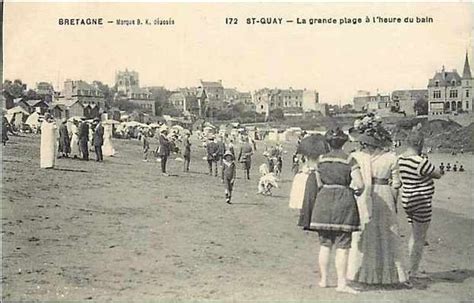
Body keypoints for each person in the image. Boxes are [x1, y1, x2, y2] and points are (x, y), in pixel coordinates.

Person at [347, 131, 410, 287]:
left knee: (364, 232)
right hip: (385, 193)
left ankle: (360, 273)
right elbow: (396, 184)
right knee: (387, 234)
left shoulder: (357, 156)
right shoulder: (391, 158)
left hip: (363, 195)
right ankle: (390, 275)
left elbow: (353, 181)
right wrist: (394, 203)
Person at [309, 128, 364, 294]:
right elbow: (360, 184)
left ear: (328, 142)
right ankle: (341, 283)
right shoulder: (349, 159)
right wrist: (356, 191)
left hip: (324, 200)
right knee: (343, 244)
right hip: (343, 201)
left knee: (325, 244)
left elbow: (318, 184)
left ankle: (324, 279)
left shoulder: (321, 160)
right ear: (343, 142)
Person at [398, 131, 442, 280]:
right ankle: (413, 271)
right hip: (422, 201)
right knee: (419, 238)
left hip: (407, 199)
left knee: (415, 235)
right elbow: (437, 173)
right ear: (419, 144)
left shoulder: (400, 159)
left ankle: (412, 268)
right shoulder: (420, 161)